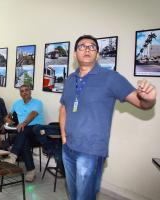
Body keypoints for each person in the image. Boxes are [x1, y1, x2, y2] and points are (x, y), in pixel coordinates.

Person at [60, 35, 156, 200]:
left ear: (97, 54)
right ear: (75, 54)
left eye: (92, 46)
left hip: (91, 151)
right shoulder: (70, 79)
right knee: (73, 195)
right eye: (82, 46)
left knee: (84, 197)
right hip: (68, 149)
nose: (87, 49)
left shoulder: (111, 78)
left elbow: (142, 103)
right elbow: (64, 108)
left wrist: (149, 99)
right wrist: (63, 139)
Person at [3, 84, 45, 182]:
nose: (24, 92)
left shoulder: (37, 103)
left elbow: (33, 114)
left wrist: (23, 123)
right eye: (22, 91)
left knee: (24, 129)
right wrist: (8, 119)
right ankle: (31, 171)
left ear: (30, 91)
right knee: (24, 141)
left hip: (37, 132)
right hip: (23, 134)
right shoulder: (17, 103)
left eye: (26, 90)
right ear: (20, 93)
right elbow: (8, 115)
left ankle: (13, 155)